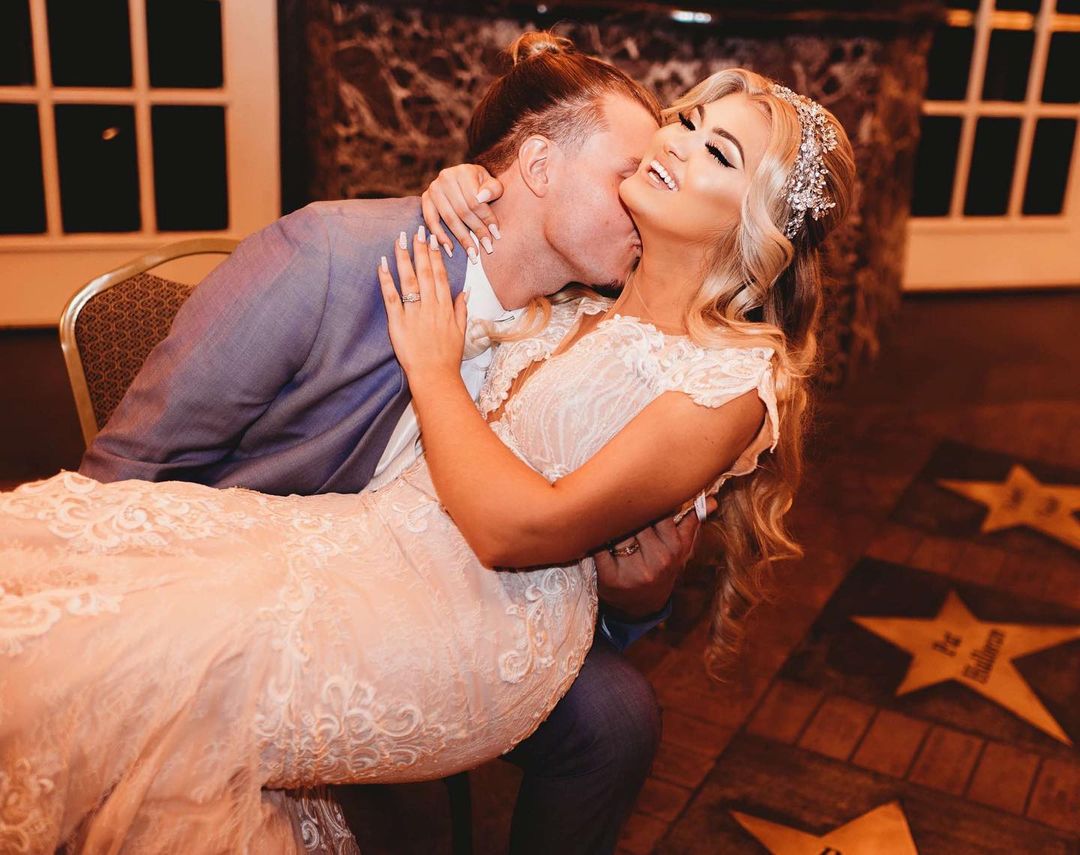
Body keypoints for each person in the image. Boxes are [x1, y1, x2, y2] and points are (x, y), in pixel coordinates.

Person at [0, 52, 855, 855]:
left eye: (715, 150)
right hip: (333, 543)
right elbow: (133, 457)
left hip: (480, 609)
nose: (667, 153)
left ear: (755, 219)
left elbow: (558, 521)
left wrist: (644, 588)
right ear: (536, 169)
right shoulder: (352, 261)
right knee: (77, 626)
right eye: (680, 125)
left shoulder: (693, 360)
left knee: (141, 668)